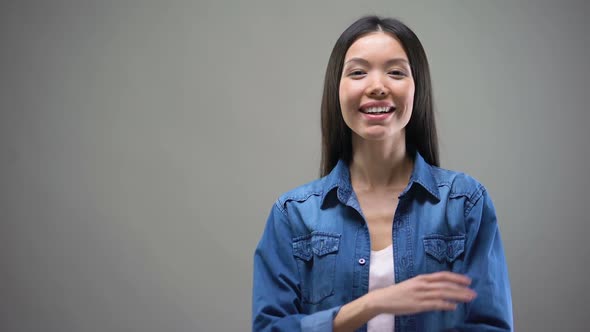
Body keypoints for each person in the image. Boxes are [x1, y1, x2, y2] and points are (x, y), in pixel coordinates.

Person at [252, 15, 513, 332]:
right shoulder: (293, 214)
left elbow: (492, 327)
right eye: (358, 72)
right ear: (337, 89)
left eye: (396, 72)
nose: (377, 87)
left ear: (418, 89)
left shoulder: (465, 203)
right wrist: (371, 304)